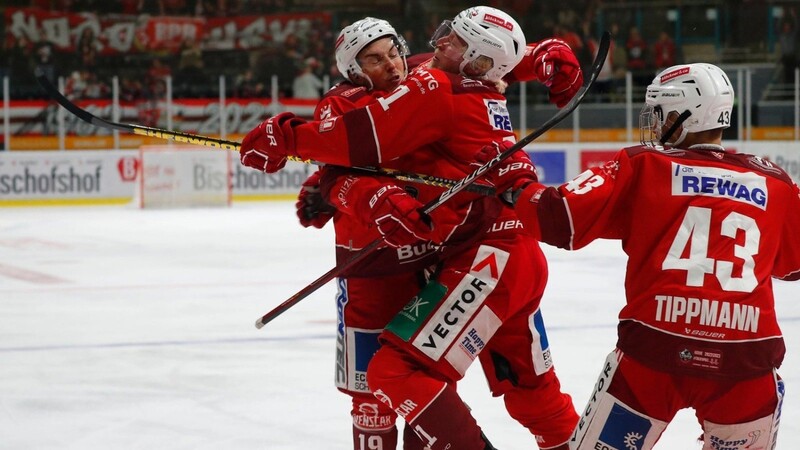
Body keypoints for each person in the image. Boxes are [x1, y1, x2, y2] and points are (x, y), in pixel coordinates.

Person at [241, 6, 583, 450]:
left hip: (449, 258)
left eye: (394, 52)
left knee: (415, 380)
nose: (393, 64)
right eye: (374, 60)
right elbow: (341, 163)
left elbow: (476, 58)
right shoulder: (348, 102)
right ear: (351, 69)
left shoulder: (427, 79)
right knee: (376, 400)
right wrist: (354, 192)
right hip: (378, 270)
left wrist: (289, 140)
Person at [484, 63, 800, 449]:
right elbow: (792, 266)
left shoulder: (645, 164)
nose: (654, 121)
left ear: (684, 115)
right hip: (745, 365)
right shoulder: (776, 183)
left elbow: (556, 217)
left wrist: (512, 182)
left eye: (661, 112)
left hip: (653, 356)